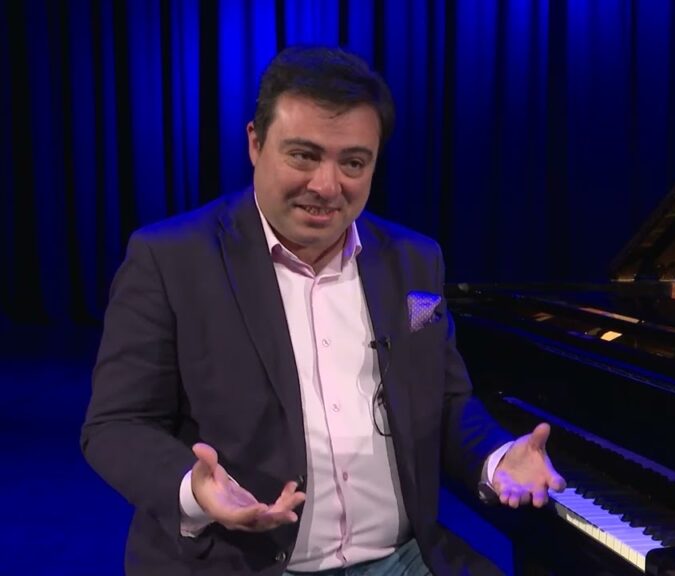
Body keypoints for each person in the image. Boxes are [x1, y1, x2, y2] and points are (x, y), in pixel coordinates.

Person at [81, 44, 565, 576]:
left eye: (353, 163)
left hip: (401, 560)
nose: (326, 186)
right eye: (303, 156)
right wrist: (193, 490)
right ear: (255, 143)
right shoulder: (170, 259)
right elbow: (116, 425)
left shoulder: (414, 263)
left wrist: (496, 455)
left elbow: (444, 399)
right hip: (239, 564)